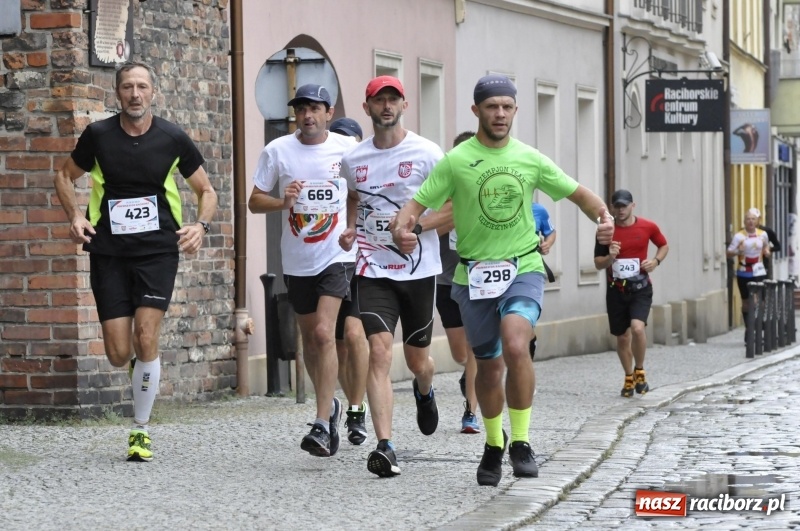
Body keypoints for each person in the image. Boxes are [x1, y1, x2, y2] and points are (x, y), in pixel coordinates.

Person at [391, 74, 615, 487]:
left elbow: (580, 195)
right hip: (473, 276)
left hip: (522, 268)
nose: (499, 114)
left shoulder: (530, 158)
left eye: (506, 107)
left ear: (515, 110)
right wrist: (402, 229)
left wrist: (604, 219)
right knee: (489, 367)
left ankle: (522, 442)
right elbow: (415, 207)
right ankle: (495, 443)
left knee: (515, 343)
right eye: (491, 107)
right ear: (476, 111)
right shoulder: (456, 161)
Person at [53, 61, 218, 462]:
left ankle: (140, 430)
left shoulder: (172, 138)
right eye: (127, 86)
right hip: (108, 252)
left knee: (146, 335)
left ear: (153, 92)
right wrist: (74, 216)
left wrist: (200, 226)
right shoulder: (98, 136)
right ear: (118, 93)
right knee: (117, 352)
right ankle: (139, 368)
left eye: (142, 86)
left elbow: (206, 190)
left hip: (157, 251)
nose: (135, 94)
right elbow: (64, 175)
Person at [338, 75, 450, 478]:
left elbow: (453, 208)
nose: (386, 106)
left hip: (418, 270)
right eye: (378, 100)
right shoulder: (354, 159)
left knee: (419, 360)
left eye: (393, 99)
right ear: (366, 108)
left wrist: (416, 227)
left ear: (404, 105)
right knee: (380, 351)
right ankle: (385, 446)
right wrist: (352, 227)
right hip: (372, 269)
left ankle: (425, 388)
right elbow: (354, 196)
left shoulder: (428, 153)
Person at [248, 84, 367, 457]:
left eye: (314, 109)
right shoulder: (278, 150)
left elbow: (357, 194)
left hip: (337, 255)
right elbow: (254, 201)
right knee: (311, 342)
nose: (307, 116)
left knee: (323, 332)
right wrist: (283, 201)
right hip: (297, 258)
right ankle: (329, 405)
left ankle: (321, 423)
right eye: (301, 109)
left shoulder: (348, 149)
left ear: (329, 113)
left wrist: (351, 227)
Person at [594, 189, 668, 398]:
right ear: (612, 208)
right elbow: (598, 263)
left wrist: (655, 261)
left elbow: (663, 245)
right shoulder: (606, 231)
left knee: (637, 328)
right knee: (622, 337)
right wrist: (610, 257)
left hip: (640, 288)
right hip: (616, 290)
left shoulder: (647, 226)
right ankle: (628, 376)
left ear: (632, 206)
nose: (621, 210)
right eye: (617, 206)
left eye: (624, 206)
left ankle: (640, 370)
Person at [328, 118, 370, 445]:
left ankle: (357, 409)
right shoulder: (323, 174)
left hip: (361, 264)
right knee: (336, 345)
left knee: (355, 334)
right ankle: (346, 402)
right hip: (329, 265)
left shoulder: (367, 175)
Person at [437, 131, 480, 434]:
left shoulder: (485, 189)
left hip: (478, 278)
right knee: (460, 353)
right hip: (445, 280)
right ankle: (468, 373)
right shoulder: (441, 190)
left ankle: (471, 412)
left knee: (474, 346)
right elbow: (429, 227)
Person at [726, 207, 770, 343]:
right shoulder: (739, 236)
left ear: (757, 221)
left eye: (753, 219)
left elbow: (766, 246)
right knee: (746, 302)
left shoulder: (763, 234)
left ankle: (757, 327)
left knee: (760, 301)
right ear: (744, 221)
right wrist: (738, 252)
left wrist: (767, 251)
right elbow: (728, 253)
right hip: (744, 272)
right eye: (748, 219)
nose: (751, 221)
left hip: (759, 270)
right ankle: (749, 328)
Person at [529, 202, 556, 359]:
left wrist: (547, 244)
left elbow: (551, 232)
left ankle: (525, 358)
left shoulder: (538, 210)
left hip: (528, 270)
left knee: (523, 323)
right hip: (496, 269)